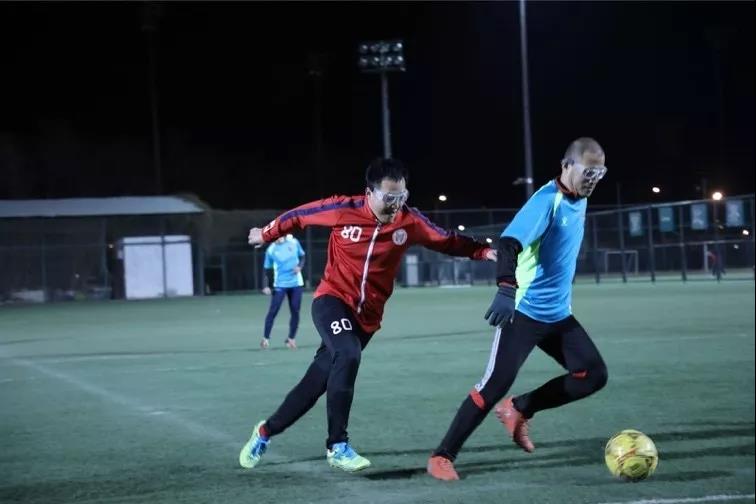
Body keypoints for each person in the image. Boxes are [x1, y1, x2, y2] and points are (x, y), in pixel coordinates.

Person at [239, 158, 496, 473]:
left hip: (366, 320)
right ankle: (337, 446)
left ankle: (264, 432)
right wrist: (266, 234)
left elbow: (446, 240)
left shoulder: (409, 221)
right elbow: (299, 216)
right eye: (389, 197)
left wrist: (482, 251)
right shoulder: (343, 209)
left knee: (316, 382)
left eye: (401, 196)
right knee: (347, 353)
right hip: (332, 300)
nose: (396, 204)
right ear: (369, 193)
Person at [427, 137, 610, 481]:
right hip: (524, 312)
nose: (593, 180)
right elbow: (509, 243)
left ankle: (519, 408)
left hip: (558, 315)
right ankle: (442, 456)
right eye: (588, 172)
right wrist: (506, 289)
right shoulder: (546, 201)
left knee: (593, 375)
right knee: (493, 385)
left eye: (599, 173)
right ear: (566, 165)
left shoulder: (579, 198)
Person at [260, 234, 305, 350]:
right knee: (273, 311)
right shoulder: (271, 249)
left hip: (296, 283)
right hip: (280, 284)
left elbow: (302, 256)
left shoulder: (294, 242)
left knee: (295, 310)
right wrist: (265, 285)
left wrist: (299, 267)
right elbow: (266, 269)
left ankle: (291, 339)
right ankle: (265, 339)